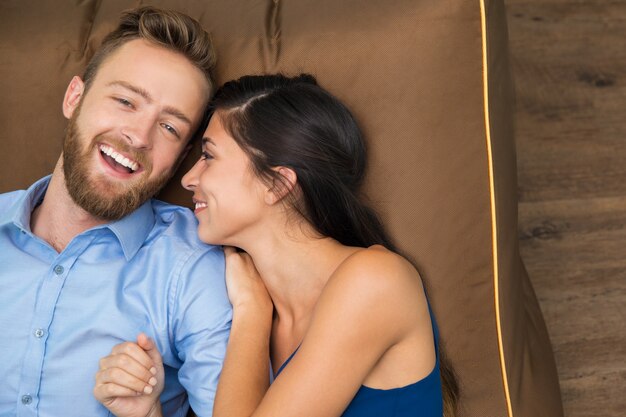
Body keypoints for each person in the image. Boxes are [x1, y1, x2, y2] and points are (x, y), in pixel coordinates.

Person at [97, 73, 459, 416]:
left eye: (208, 156)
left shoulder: (376, 281)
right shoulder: (248, 301)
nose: (189, 179)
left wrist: (252, 314)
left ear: (277, 184)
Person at [0, 6, 231, 417]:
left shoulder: (193, 267)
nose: (139, 136)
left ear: (179, 160)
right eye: (126, 101)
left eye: (170, 128)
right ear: (75, 97)